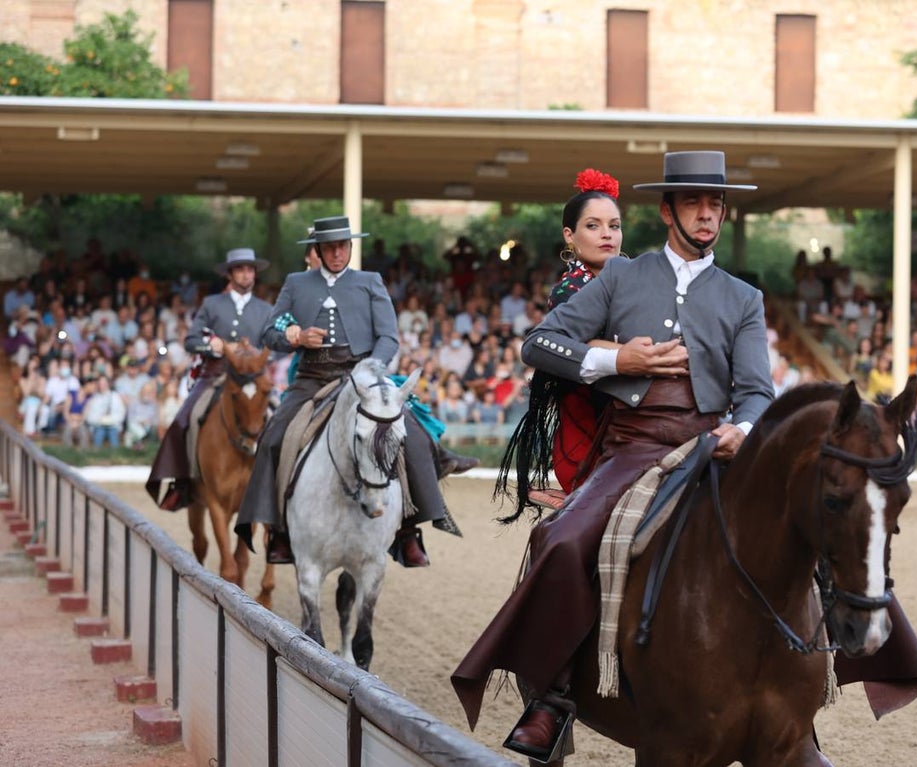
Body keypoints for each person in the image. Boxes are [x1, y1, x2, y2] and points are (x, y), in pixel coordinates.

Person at [452, 151, 775, 759]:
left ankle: (807, 682)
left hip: (712, 446)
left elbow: (757, 390)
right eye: (694, 204)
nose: (707, 215)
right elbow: (539, 343)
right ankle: (553, 697)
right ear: (667, 210)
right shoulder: (622, 276)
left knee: (816, 527)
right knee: (562, 540)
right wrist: (618, 360)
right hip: (634, 445)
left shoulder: (742, 297)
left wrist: (745, 428)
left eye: (716, 205)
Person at [234, 215, 476, 567]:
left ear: (350, 247)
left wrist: (369, 370)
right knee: (273, 436)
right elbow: (269, 333)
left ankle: (409, 530)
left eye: (343, 246)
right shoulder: (296, 283)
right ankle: (281, 531)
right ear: (316, 249)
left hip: (362, 374)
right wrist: (296, 337)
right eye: (329, 247)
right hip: (313, 378)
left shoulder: (370, 281)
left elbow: (389, 338)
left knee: (411, 433)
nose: (336, 253)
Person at [496, 168, 624, 513]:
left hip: (636, 413)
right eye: (593, 226)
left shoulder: (636, 279)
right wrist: (635, 354)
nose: (607, 235)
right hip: (588, 419)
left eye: (614, 225)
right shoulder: (570, 289)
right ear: (570, 235)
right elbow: (588, 351)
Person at [145, 248, 275, 510]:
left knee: (280, 419)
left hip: (251, 377)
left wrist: (262, 356)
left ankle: (277, 485)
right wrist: (210, 346)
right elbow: (191, 340)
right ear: (230, 274)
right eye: (240, 269)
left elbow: (277, 344)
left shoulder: (266, 309)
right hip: (216, 374)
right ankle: (184, 483)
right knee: (186, 419)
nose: (246, 274)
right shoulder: (212, 304)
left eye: (250, 269)